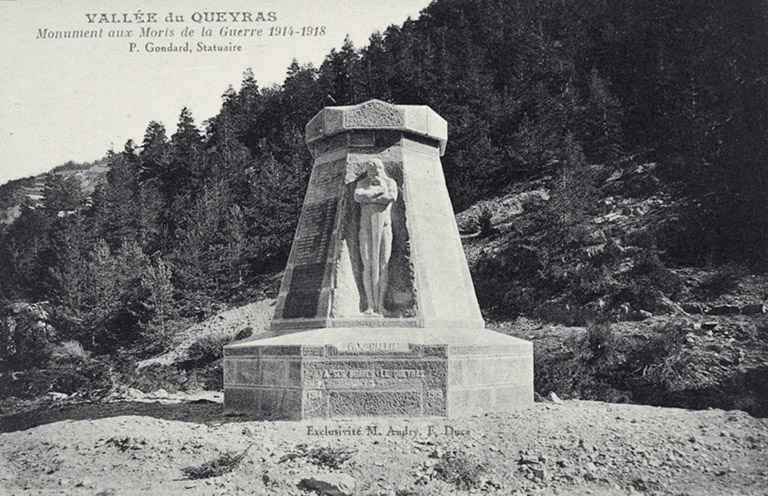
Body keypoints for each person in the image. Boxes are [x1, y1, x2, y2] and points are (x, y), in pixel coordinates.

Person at [353, 159, 398, 316]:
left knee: (383, 264)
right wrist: (377, 193)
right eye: (370, 171)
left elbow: (390, 197)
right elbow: (358, 196)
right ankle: (370, 305)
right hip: (365, 228)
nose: (373, 174)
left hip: (384, 227)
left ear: (381, 169)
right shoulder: (362, 183)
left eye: (376, 170)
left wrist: (371, 195)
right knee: (368, 264)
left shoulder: (389, 182)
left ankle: (381, 305)